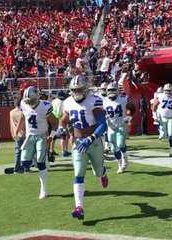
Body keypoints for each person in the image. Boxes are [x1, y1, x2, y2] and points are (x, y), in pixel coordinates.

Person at [57, 74, 108, 220]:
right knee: (78, 174)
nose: (76, 92)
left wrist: (91, 138)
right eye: (74, 89)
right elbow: (63, 120)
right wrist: (61, 127)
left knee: (98, 171)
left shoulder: (94, 100)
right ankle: (79, 207)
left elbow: (102, 125)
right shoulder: (67, 102)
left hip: (94, 141)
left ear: (85, 89)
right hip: (78, 143)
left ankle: (103, 173)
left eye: (79, 89)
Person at [14, 86, 58, 199]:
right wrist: (17, 129)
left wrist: (51, 136)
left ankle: (43, 189)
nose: (30, 103)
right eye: (28, 101)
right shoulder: (24, 104)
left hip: (42, 136)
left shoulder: (44, 106)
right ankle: (43, 158)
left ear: (37, 97)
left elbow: (54, 123)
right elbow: (23, 117)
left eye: (32, 100)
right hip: (29, 136)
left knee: (40, 163)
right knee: (25, 163)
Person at [103, 82, 136, 173]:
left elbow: (132, 108)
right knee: (113, 148)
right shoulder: (104, 101)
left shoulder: (123, 98)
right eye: (109, 90)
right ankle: (120, 164)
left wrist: (129, 116)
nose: (111, 91)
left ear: (117, 90)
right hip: (110, 126)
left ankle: (125, 157)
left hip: (122, 124)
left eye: (113, 89)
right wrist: (103, 116)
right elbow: (101, 112)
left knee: (121, 144)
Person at [152, 83, 172, 157]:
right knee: (164, 134)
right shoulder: (160, 96)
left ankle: (171, 151)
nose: (168, 92)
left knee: (171, 134)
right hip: (162, 117)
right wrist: (155, 116)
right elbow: (154, 106)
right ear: (164, 90)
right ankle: (162, 132)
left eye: (169, 90)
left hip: (171, 117)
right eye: (166, 90)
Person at [50, 90, 70, 157]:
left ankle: (51, 150)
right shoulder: (60, 102)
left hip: (52, 119)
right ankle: (63, 151)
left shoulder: (53, 101)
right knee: (63, 135)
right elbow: (59, 112)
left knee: (53, 136)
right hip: (58, 119)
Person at [9, 97, 25, 173]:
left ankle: (17, 168)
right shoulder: (23, 112)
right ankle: (23, 167)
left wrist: (13, 133)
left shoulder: (11, 112)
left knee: (18, 152)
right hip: (24, 133)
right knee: (26, 151)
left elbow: (11, 124)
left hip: (16, 134)